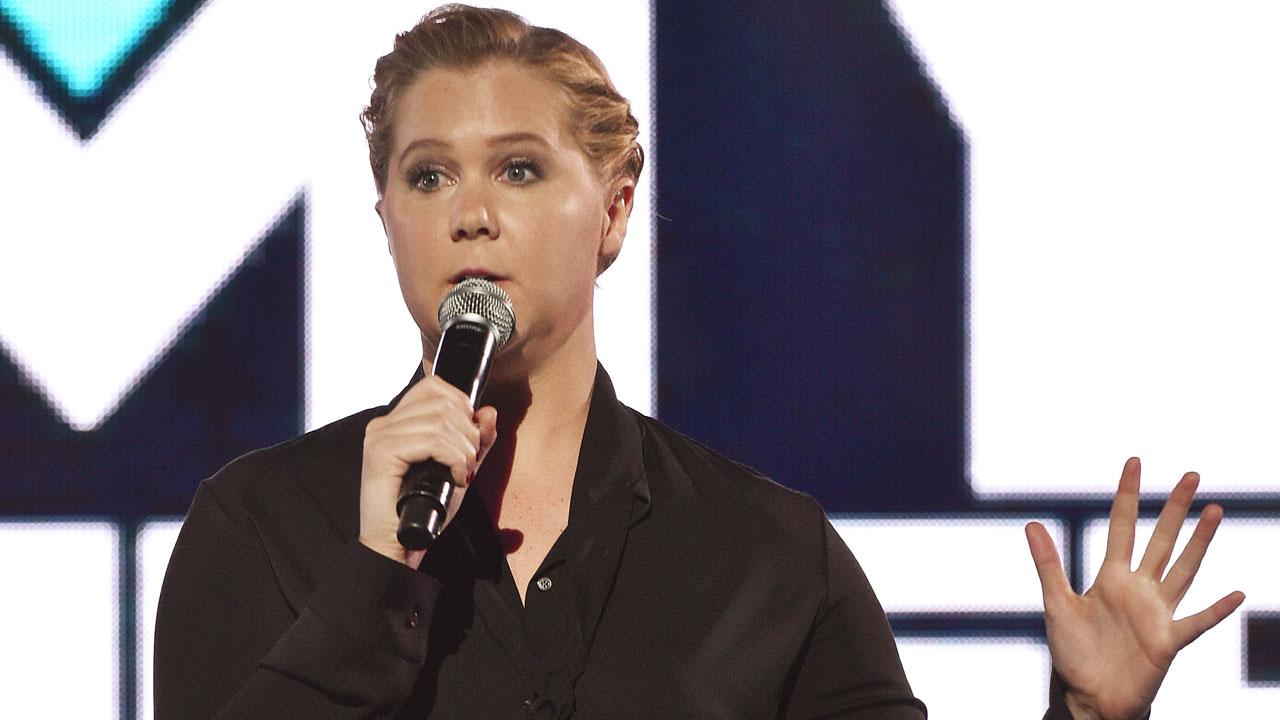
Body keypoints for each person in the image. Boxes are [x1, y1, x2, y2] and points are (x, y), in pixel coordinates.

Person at [153, 5, 1244, 719]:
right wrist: (377, 571)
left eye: (520, 170)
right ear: (387, 218)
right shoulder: (262, 524)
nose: (470, 213)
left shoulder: (765, 554)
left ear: (613, 211)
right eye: (427, 176)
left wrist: (1085, 715)